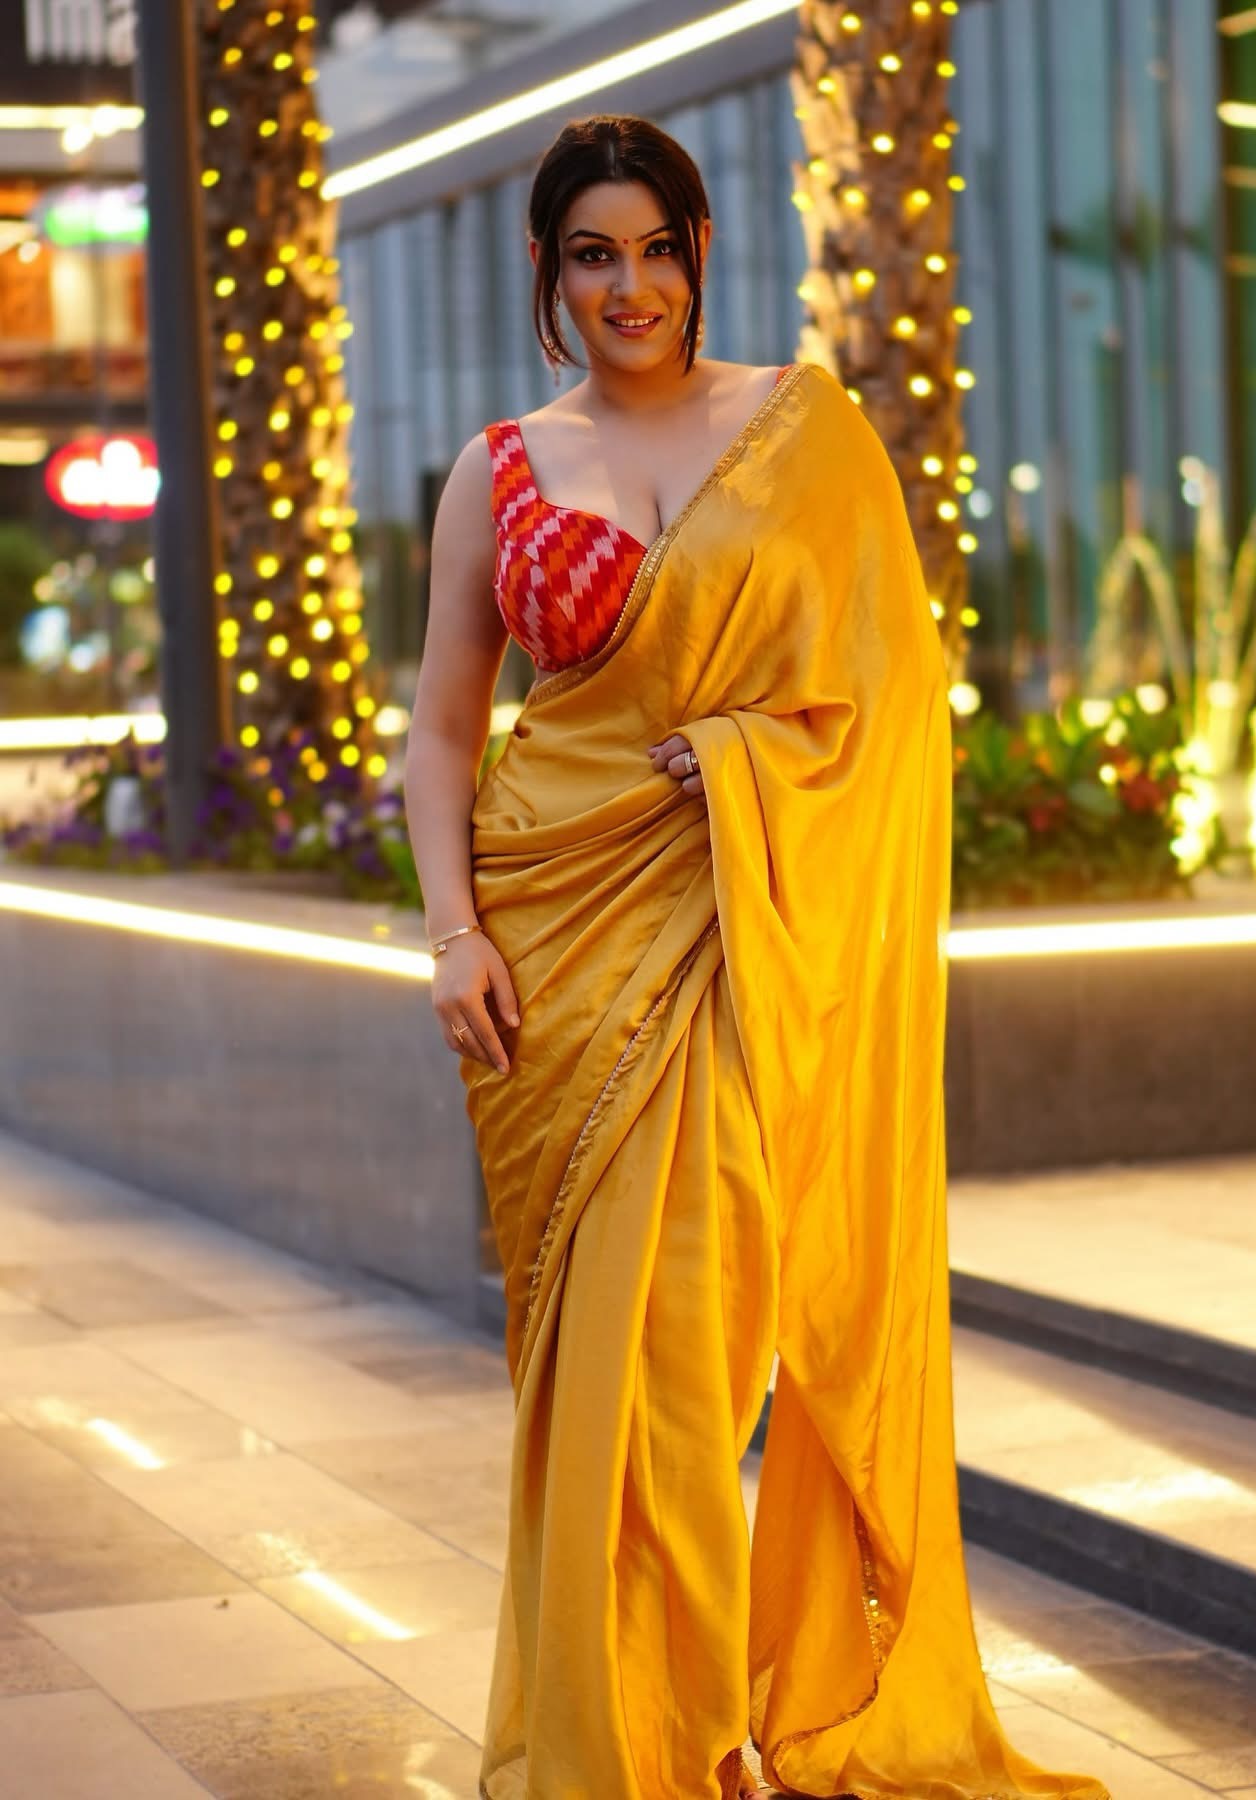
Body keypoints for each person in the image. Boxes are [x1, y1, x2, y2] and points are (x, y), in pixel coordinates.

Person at [405, 113, 1109, 1800]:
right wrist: (450, 933)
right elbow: (441, 733)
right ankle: (650, 1732)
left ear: (702, 252)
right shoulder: (500, 469)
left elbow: (891, 706)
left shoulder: (805, 434)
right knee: (598, 1371)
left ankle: (703, 1714)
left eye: (657, 249)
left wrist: (741, 761)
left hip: (743, 932)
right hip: (552, 950)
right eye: (594, 254)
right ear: (547, 271)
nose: (630, 286)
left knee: (696, 1345)